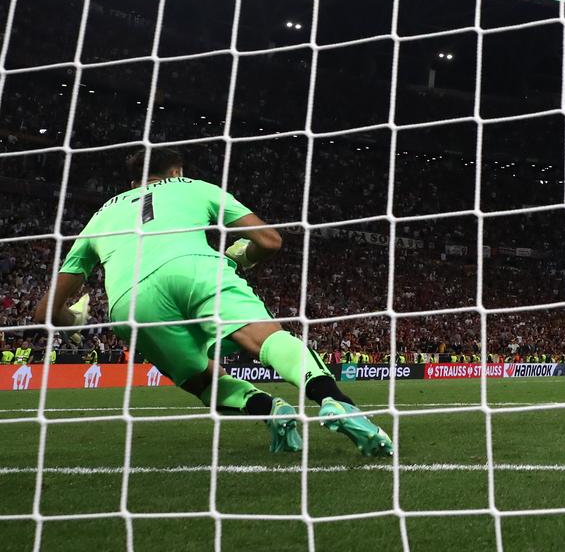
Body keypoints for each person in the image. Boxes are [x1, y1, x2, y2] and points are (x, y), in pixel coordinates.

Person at [34, 147, 392, 457]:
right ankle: (336, 401)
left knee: (202, 381)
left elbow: (45, 312)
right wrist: (242, 256)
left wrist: (74, 322)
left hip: (130, 302)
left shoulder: (99, 217)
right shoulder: (196, 187)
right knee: (265, 339)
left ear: (133, 181)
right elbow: (270, 240)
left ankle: (272, 410)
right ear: (176, 172)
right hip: (195, 268)